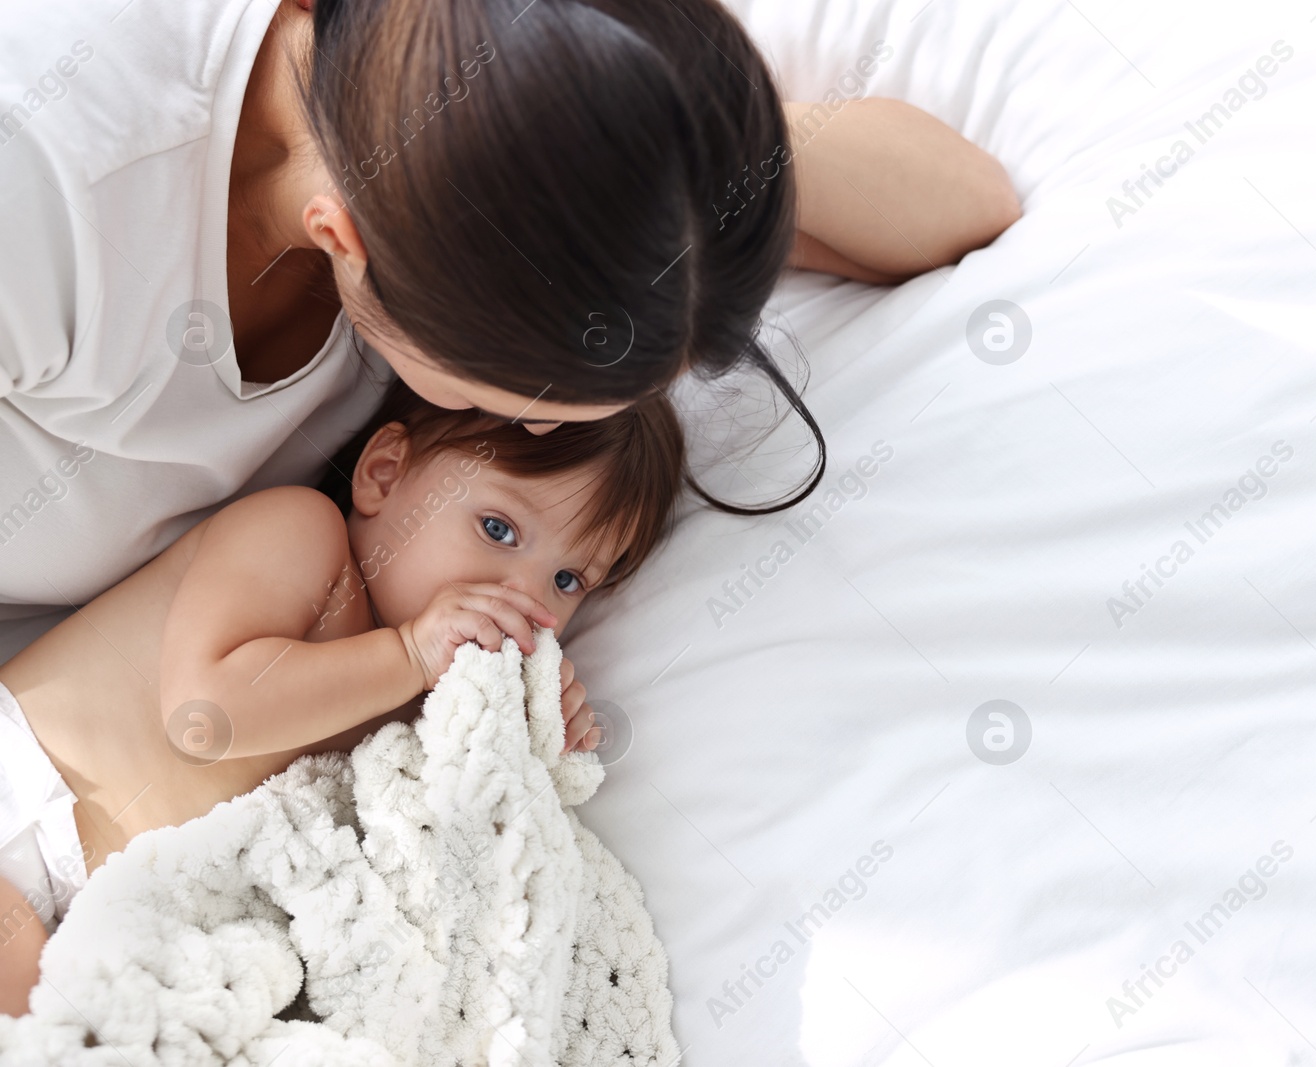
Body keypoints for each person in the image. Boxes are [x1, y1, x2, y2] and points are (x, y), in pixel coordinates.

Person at [0, 0, 1022, 664]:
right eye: (491, 399)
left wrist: (631, 141)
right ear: (345, 242)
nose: (511, 434)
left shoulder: (450, 127)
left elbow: (964, 204)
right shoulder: (46, 170)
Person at [0, 377, 687, 1015]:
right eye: (498, 529)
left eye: (568, 580)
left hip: (99, 929)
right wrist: (411, 653)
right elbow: (202, 716)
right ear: (384, 473)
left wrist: (532, 737)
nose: (526, 598)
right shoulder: (304, 539)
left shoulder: (422, 702)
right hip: (24, 803)